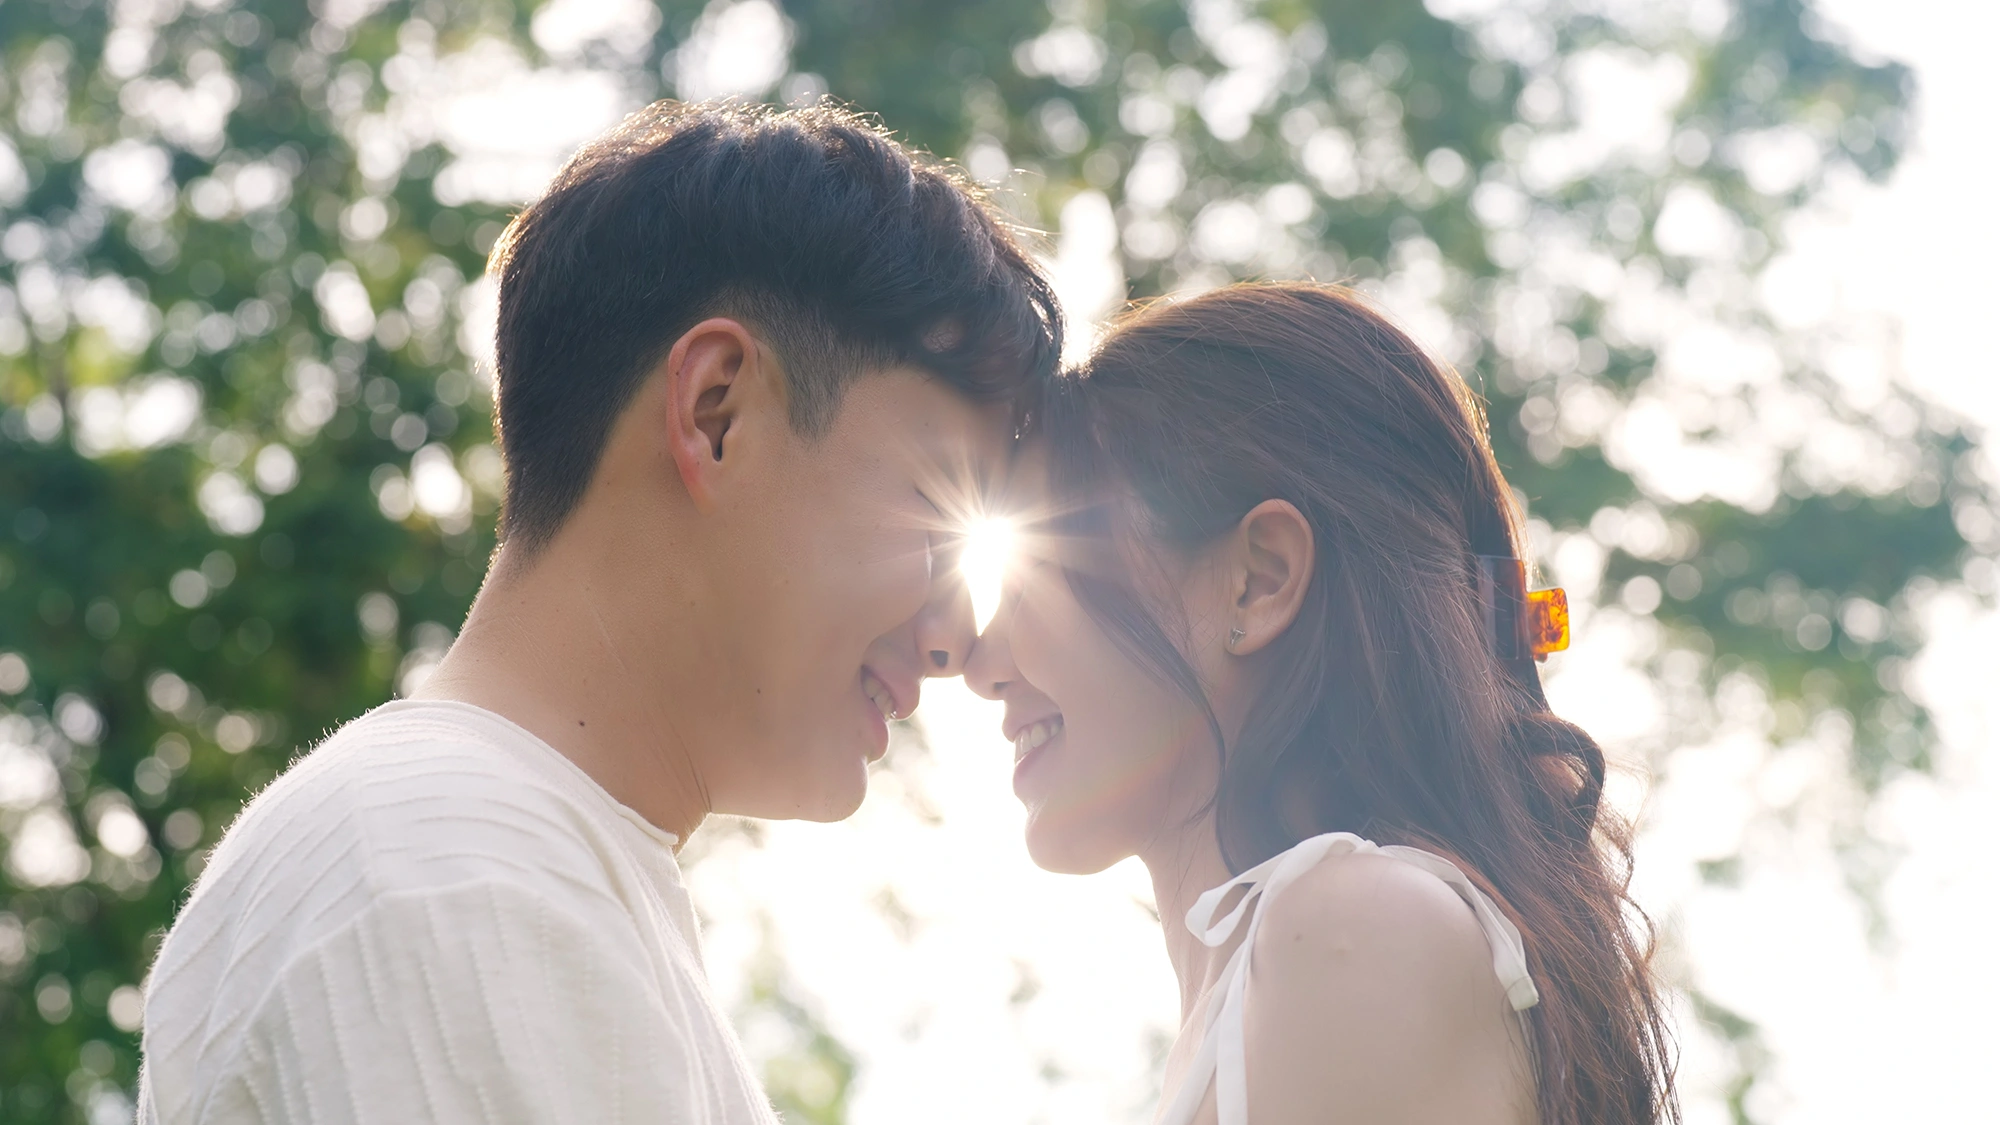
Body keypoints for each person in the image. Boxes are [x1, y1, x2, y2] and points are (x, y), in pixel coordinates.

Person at [138, 101, 1060, 1124]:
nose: (951, 638)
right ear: (717, 412)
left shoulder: (508, 864)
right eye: (937, 506)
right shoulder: (452, 872)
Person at [965, 283, 1677, 1125]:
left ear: (1258, 582)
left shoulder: (1357, 925)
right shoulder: (1291, 974)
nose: (980, 660)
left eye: (1035, 577)